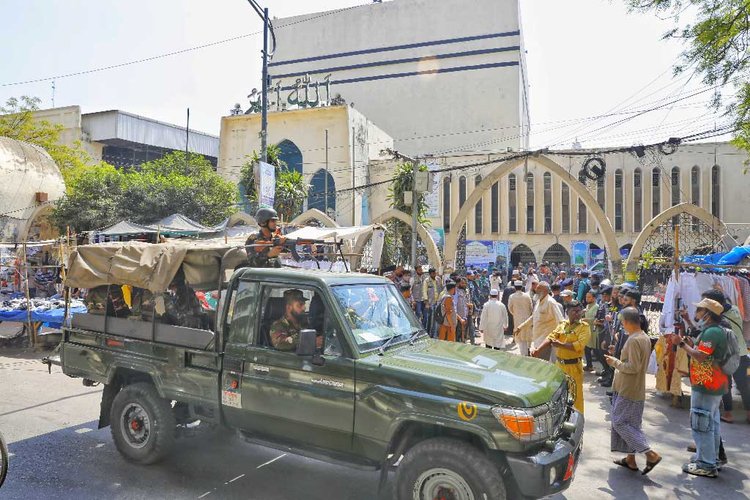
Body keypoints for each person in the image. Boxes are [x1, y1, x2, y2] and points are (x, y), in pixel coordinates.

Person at [670, 298, 730, 478]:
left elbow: (701, 356)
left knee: (701, 422)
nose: (697, 314)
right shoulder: (713, 331)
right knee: (710, 422)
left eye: (699, 311)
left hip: (707, 384)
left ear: (708, 314)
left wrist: (681, 343)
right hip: (711, 383)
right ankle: (711, 458)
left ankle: (706, 464)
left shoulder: (712, 332)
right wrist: (689, 341)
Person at [605, 307, 662, 475]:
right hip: (633, 388)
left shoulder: (634, 339)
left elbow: (633, 367)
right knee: (632, 424)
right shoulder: (642, 337)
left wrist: (614, 362)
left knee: (620, 422)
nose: (622, 325)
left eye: (622, 322)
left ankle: (650, 454)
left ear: (628, 322)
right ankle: (631, 459)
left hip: (628, 388)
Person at [532, 300, 590, 413]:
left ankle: (576, 420)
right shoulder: (562, 324)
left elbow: (579, 345)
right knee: (559, 393)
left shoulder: (584, 327)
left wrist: (560, 345)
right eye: (574, 311)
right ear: (567, 312)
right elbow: (551, 337)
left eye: (579, 311)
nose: (577, 314)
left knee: (575, 396)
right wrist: (538, 350)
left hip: (574, 367)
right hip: (559, 365)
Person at [515, 281, 564, 361]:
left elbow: (560, 320)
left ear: (545, 291)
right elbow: (534, 317)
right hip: (537, 338)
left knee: (543, 363)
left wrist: (560, 339)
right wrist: (521, 327)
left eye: (538, 288)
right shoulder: (538, 301)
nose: (536, 290)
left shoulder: (550, 302)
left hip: (545, 340)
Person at [508, 280, 534, 356]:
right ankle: (528, 350)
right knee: (527, 336)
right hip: (527, 319)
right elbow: (531, 307)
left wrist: (515, 314)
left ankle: (524, 354)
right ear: (522, 287)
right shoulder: (527, 296)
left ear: (515, 288)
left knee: (521, 338)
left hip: (517, 319)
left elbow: (510, 308)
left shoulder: (512, 297)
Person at [583, 290, 600, 372]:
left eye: (589, 297)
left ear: (594, 298)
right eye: (586, 297)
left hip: (594, 330)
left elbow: (595, 319)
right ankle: (589, 365)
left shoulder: (596, 307)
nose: (587, 298)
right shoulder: (587, 306)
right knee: (586, 348)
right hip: (587, 329)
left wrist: (585, 319)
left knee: (595, 349)